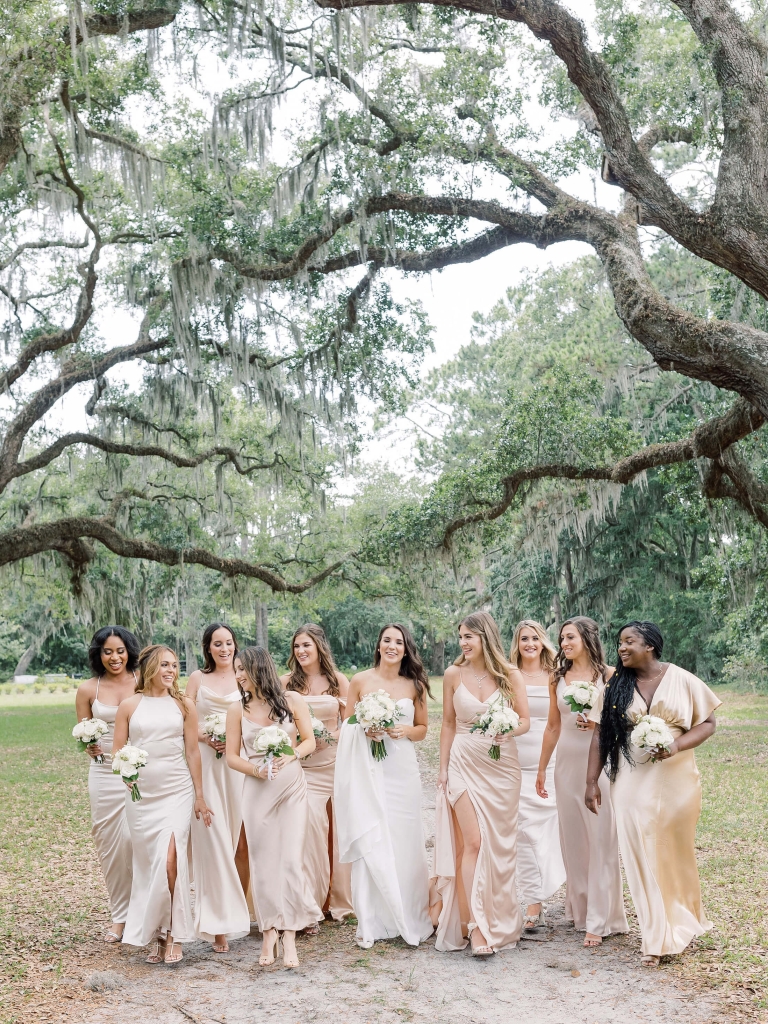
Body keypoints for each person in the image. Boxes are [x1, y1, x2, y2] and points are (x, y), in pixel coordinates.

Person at [586, 621, 720, 967]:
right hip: (630, 779)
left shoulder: (682, 679)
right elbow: (600, 736)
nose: (622, 648)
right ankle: (656, 936)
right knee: (639, 852)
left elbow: (707, 723)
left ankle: (681, 920)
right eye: (619, 643)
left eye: (629, 641)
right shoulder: (616, 685)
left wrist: (676, 744)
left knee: (672, 851)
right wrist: (590, 781)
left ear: (651, 645)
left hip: (677, 779)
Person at [433, 611, 530, 955]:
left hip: (502, 767)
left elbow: (524, 722)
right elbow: (447, 724)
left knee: (500, 847)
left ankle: (501, 919)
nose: (463, 643)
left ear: (485, 637)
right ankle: (475, 928)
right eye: (460, 636)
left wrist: (507, 730)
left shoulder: (510, 674)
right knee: (472, 842)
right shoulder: (452, 674)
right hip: (462, 761)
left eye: (468, 637)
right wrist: (443, 768)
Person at [334, 623, 434, 949]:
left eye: (399, 642)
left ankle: (408, 913)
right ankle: (373, 919)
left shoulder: (414, 684)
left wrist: (404, 731)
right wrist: (365, 729)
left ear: (406, 649)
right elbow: (347, 724)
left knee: (404, 838)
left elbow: (423, 729)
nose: (392, 646)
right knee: (374, 833)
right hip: (370, 768)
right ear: (378, 645)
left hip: (402, 771)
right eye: (387, 640)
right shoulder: (361, 680)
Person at [113, 645, 212, 965]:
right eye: (164, 665)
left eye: (174, 665)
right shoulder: (129, 705)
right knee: (149, 864)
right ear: (148, 668)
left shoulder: (183, 705)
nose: (171, 670)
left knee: (172, 859)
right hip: (142, 797)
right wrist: (125, 774)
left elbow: (193, 752)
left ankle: (174, 933)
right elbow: (118, 752)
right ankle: (156, 933)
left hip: (177, 791)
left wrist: (199, 795)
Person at [226, 646, 322, 969]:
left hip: (292, 787)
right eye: (236, 670)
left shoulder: (292, 701)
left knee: (292, 861)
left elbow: (308, 740)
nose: (237, 675)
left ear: (260, 668)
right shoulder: (236, 709)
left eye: (242, 669)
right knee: (263, 863)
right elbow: (231, 757)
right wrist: (256, 770)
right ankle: (268, 931)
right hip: (256, 790)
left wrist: (291, 754)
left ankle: (290, 934)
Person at [536, 617, 627, 946]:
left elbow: (622, 725)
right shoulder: (556, 677)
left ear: (587, 638)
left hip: (599, 765)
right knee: (574, 842)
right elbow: (552, 726)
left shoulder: (609, 676)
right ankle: (582, 908)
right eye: (561, 639)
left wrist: (599, 723)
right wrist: (542, 768)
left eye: (570, 637)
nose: (564, 644)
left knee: (601, 838)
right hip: (566, 766)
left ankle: (600, 919)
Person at [281, 624, 353, 925]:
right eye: (297, 646)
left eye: (306, 645)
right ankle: (309, 900)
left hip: (336, 764)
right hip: (304, 768)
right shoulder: (285, 682)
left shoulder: (338, 681)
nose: (301, 651)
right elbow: (280, 723)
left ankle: (337, 901)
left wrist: (330, 737)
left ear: (319, 647)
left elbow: (350, 725)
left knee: (338, 831)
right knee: (310, 832)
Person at [186, 623, 250, 952]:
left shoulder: (245, 676)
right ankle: (217, 925)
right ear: (207, 648)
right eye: (217, 644)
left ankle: (238, 913)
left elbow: (258, 715)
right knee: (215, 841)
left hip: (239, 768)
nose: (224, 649)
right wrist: (207, 737)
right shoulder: (198, 678)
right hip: (208, 768)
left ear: (235, 646)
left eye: (228, 643)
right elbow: (183, 718)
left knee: (240, 842)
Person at [75, 625, 140, 943]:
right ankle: (120, 916)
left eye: (120, 650)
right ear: (98, 654)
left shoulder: (144, 682)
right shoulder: (89, 689)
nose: (114, 657)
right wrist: (86, 744)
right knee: (110, 845)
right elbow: (82, 730)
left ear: (129, 651)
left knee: (136, 841)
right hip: (103, 773)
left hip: (139, 770)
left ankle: (145, 913)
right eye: (107, 651)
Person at [510, 619, 566, 930]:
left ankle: (563, 891)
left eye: (534, 638)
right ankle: (534, 901)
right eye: (523, 639)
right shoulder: (507, 674)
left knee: (552, 831)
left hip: (552, 763)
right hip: (515, 764)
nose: (529, 643)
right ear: (516, 644)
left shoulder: (557, 675)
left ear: (543, 641)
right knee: (524, 833)